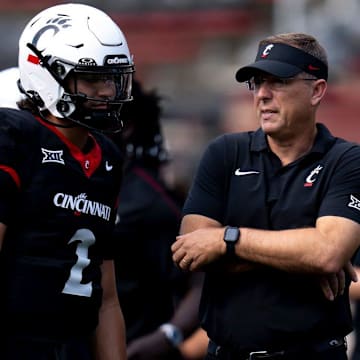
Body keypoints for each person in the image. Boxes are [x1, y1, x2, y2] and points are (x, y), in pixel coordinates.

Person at [171, 32, 360, 360]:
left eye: (278, 82)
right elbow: (192, 252)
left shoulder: (346, 160)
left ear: (316, 90)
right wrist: (303, 257)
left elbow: (328, 253)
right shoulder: (224, 154)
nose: (262, 95)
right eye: (257, 82)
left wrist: (226, 239)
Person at [0, 3, 134, 359]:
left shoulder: (108, 158)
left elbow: (106, 299)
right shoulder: (14, 137)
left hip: (73, 345)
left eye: (111, 78)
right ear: (44, 73)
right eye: (91, 78)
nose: (106, 91)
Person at [111, 78, 207, 360]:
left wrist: (167, 336)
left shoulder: (146, 200)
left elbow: (202, 281)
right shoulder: (85, 180)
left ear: (126, 126)